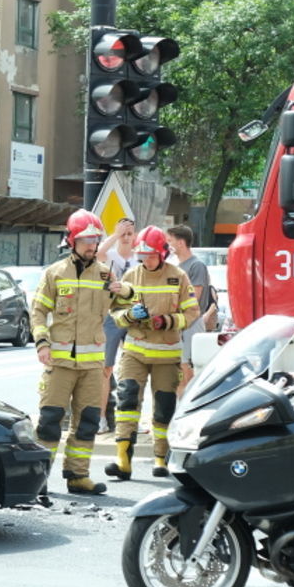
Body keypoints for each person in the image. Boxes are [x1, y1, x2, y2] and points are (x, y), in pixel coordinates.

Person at [32, 210, 131, 495]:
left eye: (95, 239)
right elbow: (38, 311)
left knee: (86, 422)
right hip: (59, 362)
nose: (92, 245)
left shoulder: (104, 273)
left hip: (91, 366)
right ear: (72, 241)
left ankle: (78, 476)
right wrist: (42, 343)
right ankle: (38, 479)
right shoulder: (54, 273)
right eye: (86, 240)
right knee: (50, 421)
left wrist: (125, 291)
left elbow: (123, 308)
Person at [104, 225, 199, 481]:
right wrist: (129, 316)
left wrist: (166, 321)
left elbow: (192, 313)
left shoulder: (178, 276)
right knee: (127, 401)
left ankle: (160, 458)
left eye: (151, 255)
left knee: (164, 407)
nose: (146, 259)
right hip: (135, 352)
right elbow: (115, 312)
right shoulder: (132, 276)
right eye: (142, 255)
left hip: (167, 355)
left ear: (162, 253)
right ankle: (122, 458)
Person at [97, 217, 135, 433]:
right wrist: (115, 234)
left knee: (134, 367)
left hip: (133, 315)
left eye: (130, 234)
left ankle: (130, 419)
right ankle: (102, 418)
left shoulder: (139, 257)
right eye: (124, 234)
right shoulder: (110, 255)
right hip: (111, 316)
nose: (127, 238)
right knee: (106, 368)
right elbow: (99, 254)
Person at [168, 225, 213, 396]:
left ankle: (189, 404)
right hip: (179, 323)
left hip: (191, 324)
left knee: (187, 367)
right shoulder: (175, 266)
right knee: (180, 366)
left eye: (170, 241)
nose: (168, 246)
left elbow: (194, 295)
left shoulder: (196, 265)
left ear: (180, 243)